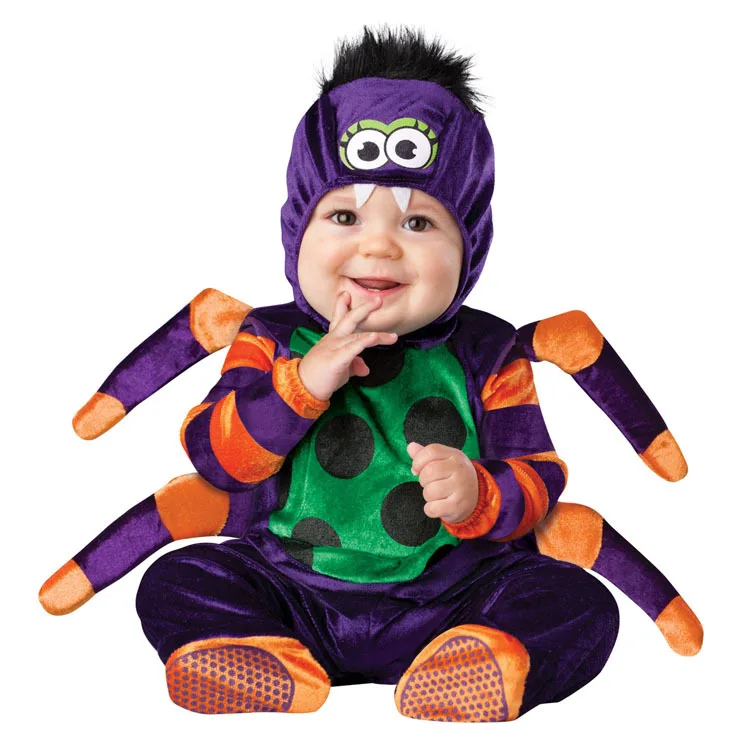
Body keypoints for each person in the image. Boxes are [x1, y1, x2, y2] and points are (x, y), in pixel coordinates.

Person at [135, 26, 619, 722]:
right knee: (178, 578)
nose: (379, 246)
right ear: (297, 232)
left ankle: (478, 662)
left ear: (470, 247)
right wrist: (302, 382)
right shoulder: (272, 336)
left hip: (448, 599)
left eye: (419, 225)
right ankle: (258, 653)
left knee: (580, 603)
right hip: (291, 591)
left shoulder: (487, 350)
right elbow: (216, 457)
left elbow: (538, 475)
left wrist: (480, 491)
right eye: (343, 215)